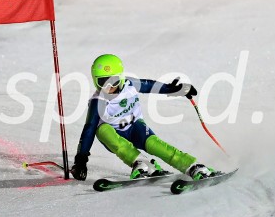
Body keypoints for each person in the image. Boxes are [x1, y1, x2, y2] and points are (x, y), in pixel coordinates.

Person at [70, 54, 213, 181]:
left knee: (155, 145)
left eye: (113, 81)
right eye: (102, 82)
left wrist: (176, 89)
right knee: (101, 129)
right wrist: (80, 161)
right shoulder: (98, 101)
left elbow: (150, 86)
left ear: (120, 78)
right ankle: (140, 163)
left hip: (135, 128)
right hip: (113, 136)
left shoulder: (129, 85)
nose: (108, 87)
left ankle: (193, 166)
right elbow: (89, 130)